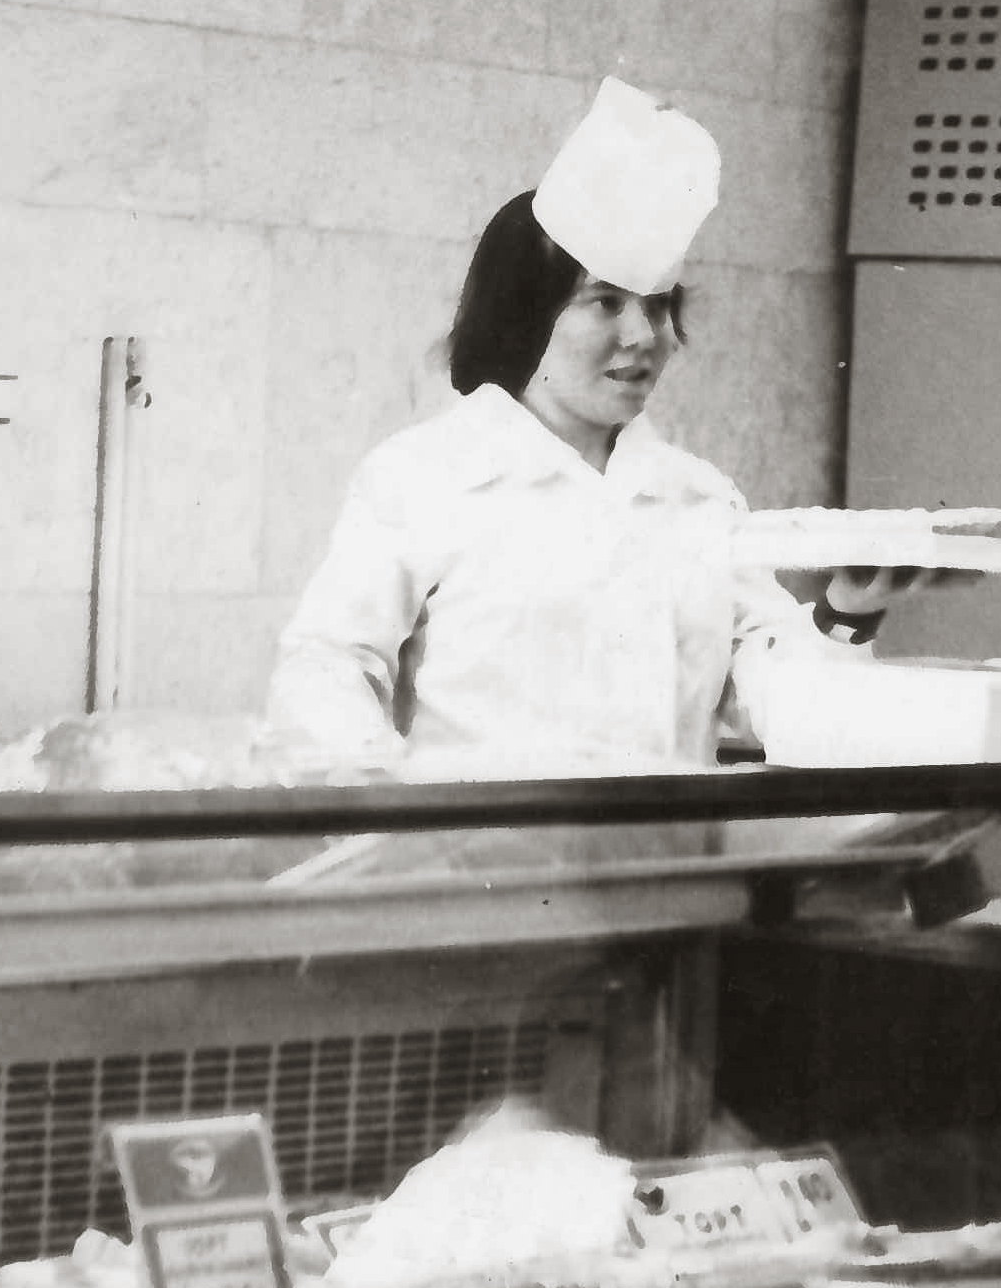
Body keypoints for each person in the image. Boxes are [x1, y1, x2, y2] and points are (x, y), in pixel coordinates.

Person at [270, 79, 946, 771]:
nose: (642, 336)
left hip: (668, 842)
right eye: (604, 303)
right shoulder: (421, 478)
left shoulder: (698, 497)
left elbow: (773, 702)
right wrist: (391, 803)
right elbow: (325, 670)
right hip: (483, 842)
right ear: (527, 316)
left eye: (657, 306)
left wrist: (847, 611)